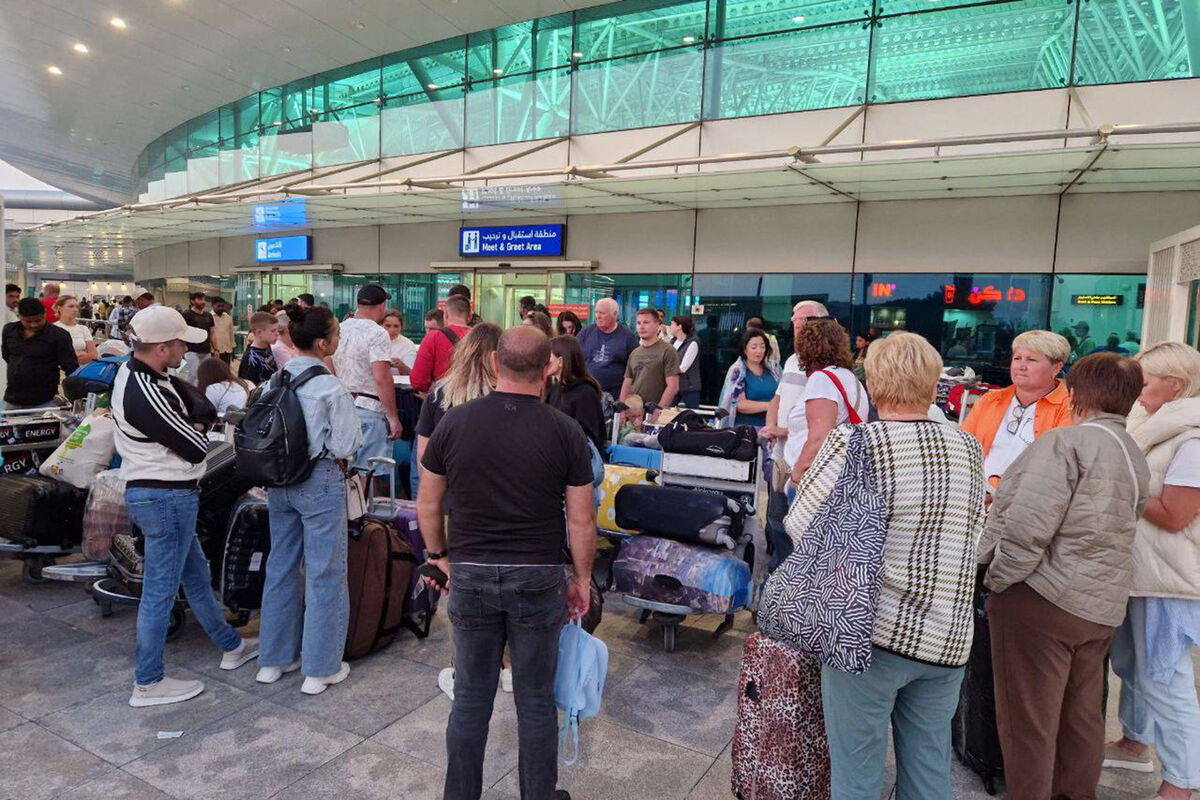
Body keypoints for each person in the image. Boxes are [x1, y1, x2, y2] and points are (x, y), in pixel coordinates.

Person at [786, 332, 987, 800]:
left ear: (873, 387)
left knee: (857, 775)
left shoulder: (855, 443)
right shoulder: (967, 446)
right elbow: (976, 531)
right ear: (934, 386)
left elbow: (801, 524)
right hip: (947, 636)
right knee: (929, 770)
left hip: (868, 633)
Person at [417, 325, 595, 800]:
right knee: (535, 701)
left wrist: (438, 556)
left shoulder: (454, 422)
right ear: (548, 368)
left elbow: (428, 503)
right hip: (538, 574)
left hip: (471, 571)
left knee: (470, 701)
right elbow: (581, 520)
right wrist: (582, 579)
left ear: (496, 362)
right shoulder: (566, 431)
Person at [980, 352, 1149, 800]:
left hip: (1043, 599)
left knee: (1028, 722)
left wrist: (997, 580)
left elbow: (1025, 527)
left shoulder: (1065, 444)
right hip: (1100, 604)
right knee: (1082, 717)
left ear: (1074, 393)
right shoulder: (1132, 452)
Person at [111, 306, 257, 707]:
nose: (186, 351)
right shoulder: (147, 389)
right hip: (166, 496)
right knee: (160, 591)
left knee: (195, 576)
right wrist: (198, 427)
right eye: (180, 344)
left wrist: (193, 424)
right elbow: (194, 448)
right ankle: (148, 681)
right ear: (161, 348)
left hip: (162, 494)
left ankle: (231, 646)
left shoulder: (138, 374)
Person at [1104, 342, 1200, 800]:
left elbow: (1175, 515)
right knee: (1133, 666)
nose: (1135, 390)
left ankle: (1181, 782)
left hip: (1169, 580)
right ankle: (1134, 743)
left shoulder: (1191, 440)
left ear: (1175, 386)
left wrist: (1122, 483)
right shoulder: (1154, 425)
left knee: (1164, 679)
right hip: (1141, 571)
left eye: (1144, 382)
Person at [256, 306, 363, 695]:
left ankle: (273, 661)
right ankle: (320, 668)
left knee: (281, 567)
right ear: (322, 343)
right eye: (336, 333)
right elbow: (346, 444)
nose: (339, 337)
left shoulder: (275, 379)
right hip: (318, 480)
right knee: (325, 573)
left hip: (278, 481)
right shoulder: (330, 387)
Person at [413, 323, 503, 697]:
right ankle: (507, 665)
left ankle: (463, 671)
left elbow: (424, 459)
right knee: (502, 587)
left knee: (461, 593)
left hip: (453, 507)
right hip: (503, 508)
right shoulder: (508, 394)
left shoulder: (439, 394)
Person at [961, 330, 1073, 486]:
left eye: (1031, 360)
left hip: (1028, 496)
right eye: (1017, 358)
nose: (1021, 366)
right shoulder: (990, 400)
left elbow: (1057, 467)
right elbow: (962, 449)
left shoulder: (1070, 407)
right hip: (974, 491)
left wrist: (996, 488)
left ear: (1056, 368)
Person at [787, 319, 869, 485]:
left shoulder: (822, 379)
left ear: (807, 348)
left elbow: (819, 439)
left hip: (815, 481)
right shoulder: (851, 379)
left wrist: (796, 476)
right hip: (841, 477)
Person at [331, 284, 402, 471]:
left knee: (345, 470)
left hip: (342, 407)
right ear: (382, 306)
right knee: (367, 473)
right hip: (369, 408)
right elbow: (381, 378)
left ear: (358, 304)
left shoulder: (339, 329)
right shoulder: (378, 333)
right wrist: (393, 417)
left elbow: (328, 364)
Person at [2, 297, 78, 409]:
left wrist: (73, 395)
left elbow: (71, 367)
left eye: (38, 320)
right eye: (28, 321)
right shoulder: (9, 330)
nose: (33, 325)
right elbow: (7, 355)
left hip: (45, 401)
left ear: (45, 314)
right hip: (12, 399)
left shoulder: (59, 335)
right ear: (19, 316)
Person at [547, 335, 606, 454]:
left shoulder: (585, 393)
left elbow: (589, 436)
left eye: (548, 356)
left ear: (560, 361)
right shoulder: (554, 389)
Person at [619, 307, 680, 412]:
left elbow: (673, 387)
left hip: (653, 411)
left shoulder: (668, 350)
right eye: (638, 323)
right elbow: (627, 383)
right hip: (633, 412)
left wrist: (658, 411)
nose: (641, 327)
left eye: (646, 322)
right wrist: (622, 409)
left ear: (657, 325)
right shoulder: (634, 353)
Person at [577, 298, 637, 400]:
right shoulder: (586, 332)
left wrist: (623, 399)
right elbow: (573, 355)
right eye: (596, 312)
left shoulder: (628, 337)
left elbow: (634, 370)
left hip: (615, 396)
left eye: (602, 313)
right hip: (587, 393)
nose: (597, 316)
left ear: (615, 315)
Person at [719, 329, 781, 427]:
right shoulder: (738, 371)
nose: (759, 351)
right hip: (747, 430)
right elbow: (739, 404)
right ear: (745, 349)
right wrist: (770, 405)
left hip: (773, 428)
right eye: (754, 347)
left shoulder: (774, 369)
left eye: (762, 347)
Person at [410, 295, 472, 393]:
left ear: (445, 314)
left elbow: (418, 381)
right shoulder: (482, 337)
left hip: (443, 396)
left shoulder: (433, 337)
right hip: (475, 397)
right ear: (470, 317)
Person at [53, 295, 98, 367]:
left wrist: (67, 356)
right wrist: (80, 354)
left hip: (81, 371)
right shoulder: (53, 329)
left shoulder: (83, 329)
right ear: (59, 308)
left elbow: (94, 355)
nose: (75, 310)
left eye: (77, 307)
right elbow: (51, 357)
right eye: (71, 306)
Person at [237, 311, 279, 385]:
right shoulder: (250, 359)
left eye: (277, 330)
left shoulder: (267, 346)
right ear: (259, 332)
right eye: (273, 331)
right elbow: (248, 387)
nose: (277, 333)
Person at [669, 315, 702, 408]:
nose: (670, 326)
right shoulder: (673, 341)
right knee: (668, 410)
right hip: (674, 384)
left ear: (679, 326)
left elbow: (683, 367)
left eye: (672, 324)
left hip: (689, 386)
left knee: (692, 412)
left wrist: (667, 372)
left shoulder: (693, 343)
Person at [382, 309, 417, 376]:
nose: (392, 330)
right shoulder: (373, 341)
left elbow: (411, 373)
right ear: (381, 325)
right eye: (388, 326)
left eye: (396, 326)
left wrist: (401, 366)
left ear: (401, 327)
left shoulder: (408, 344)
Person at [180, 293, 214, 360]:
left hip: (206, 350)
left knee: (206, 367)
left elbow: (212, 334)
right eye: (200, 299)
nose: (203, 302)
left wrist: (215, 349)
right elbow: (182, 333)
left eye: (204, 299)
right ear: (192, 301)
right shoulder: (186, 315)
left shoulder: (208, 315)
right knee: (193, 367)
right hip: (191, 351)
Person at [210, 297, 235, 366]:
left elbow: (231, 334)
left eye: (222, 306)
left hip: (227, 350)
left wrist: (233, 348)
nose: (221, 308)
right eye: (218, 306)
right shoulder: (208, 317)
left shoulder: (228, 317)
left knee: (226, 370)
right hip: (214, 351)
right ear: (212, 305)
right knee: (215, 370)